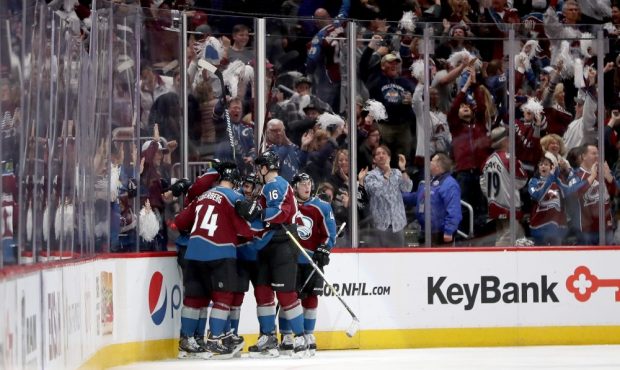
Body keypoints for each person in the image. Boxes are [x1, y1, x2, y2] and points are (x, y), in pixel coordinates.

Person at [174, 163, 255, 359]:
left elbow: (181, 221)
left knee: (194, 298)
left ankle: (186, 341)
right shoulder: (234, 197)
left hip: (193, 251)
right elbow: (246, 232)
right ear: (235, 182)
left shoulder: (202, 197)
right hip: (220, 251)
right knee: (223, 297)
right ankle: (215, 339)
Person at [234, 150, 309, 357]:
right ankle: (268, 337)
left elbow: (280, 213)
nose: (257, 171)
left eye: (259, 167)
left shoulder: (276, 184)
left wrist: (257, 211)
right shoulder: (267, 187)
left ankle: (301, 337)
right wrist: (249, 214)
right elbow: (260, 222)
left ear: (266, 167)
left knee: (285, 293)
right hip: (267, 244)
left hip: (283, 243)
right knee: (262, 290)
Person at [278, 173, 336, 356]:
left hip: (311, 260)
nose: (307, 187)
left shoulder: (321, 207)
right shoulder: (286, 206)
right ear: (294, 187)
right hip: (290, 260)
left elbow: (329, 233)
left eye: (309, 183)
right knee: (288, 298)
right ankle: (287, 335)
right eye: (303, 184)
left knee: (311, 298)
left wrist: (324, 250)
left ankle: (309, 335)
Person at [480, 126, 528, 246]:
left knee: (517, 237)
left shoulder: (488, 160)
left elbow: (483, 184)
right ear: (506, 140)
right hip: (508, 205)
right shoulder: (509, 158)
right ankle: (495, 261)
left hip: (494, 204)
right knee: (507, 238)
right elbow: (522, 180)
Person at [362, 145, 413, 247]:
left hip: (397, 224)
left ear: (389, 157)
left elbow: (407, 188)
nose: (381, 156)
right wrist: (387, 173)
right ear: (374, 159)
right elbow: (377, 191)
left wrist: (403, 169)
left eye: (384, 153)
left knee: (399, 258)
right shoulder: (370, 176)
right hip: (380, 225)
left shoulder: (397, 173)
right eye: (378, 154)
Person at [571, 143, 617, 245]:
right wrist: (592, 176)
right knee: (587, 259)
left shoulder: (603, 172)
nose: (597, 156)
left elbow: (615, 193)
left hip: (606, 226)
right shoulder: (575, 174)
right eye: (594, 153)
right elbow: (574, 194)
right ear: (583, 156)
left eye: (598, 153)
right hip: (586, 228)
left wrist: (609, 177)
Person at [412, 153, 462, 245]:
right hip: (427, 231)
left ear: (439, 166)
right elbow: (417, 197)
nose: (430, 162)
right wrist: (400, 195)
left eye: (432, 160)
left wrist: (449, 231)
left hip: (440, 234)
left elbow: (454, 209)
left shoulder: (449, 184)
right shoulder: (431, 181)